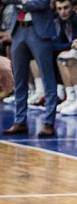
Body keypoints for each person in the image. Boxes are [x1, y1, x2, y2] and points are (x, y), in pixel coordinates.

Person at [2, 0, 57, 137]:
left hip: (39, 31)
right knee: (19, 79)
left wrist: (21, 2)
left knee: (47, 77)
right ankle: (20, 120)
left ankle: (49, 122)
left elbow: (41, 4)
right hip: (18, 30)